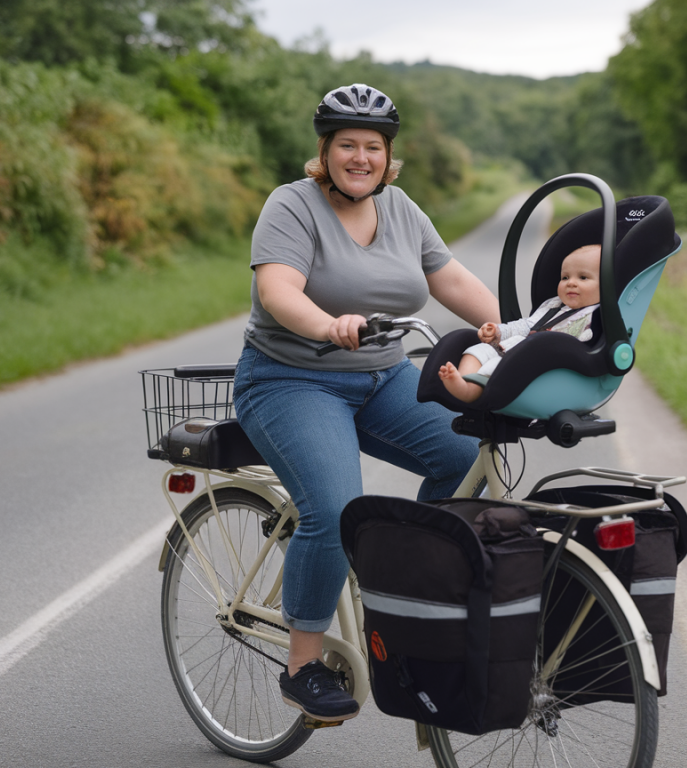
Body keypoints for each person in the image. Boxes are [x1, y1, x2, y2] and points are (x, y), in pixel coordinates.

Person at [232, 84, 499, 722]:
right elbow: (277, 290)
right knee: (336, 508)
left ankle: (413, 591)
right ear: (324, 152)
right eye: (346, 145)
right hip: (290, 379)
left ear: (387, 156)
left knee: (467, 453)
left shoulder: (402, 209)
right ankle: (302, 667)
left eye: (372, 147)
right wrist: (327, 325)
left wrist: (517, 333)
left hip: (383, 376)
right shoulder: (290, 205)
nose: (360, 157)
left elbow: (453, 280)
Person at [438, 243, 601, 403]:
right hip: (514, 347)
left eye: (583, 277)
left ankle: (469, 391)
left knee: (496, 365)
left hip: (543, 364)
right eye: (565, 277)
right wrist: (498, 331)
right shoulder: (552, 305)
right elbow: (527, 326)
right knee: (477, 350)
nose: (570, 283)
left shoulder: (597, 315)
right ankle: (463, 379)